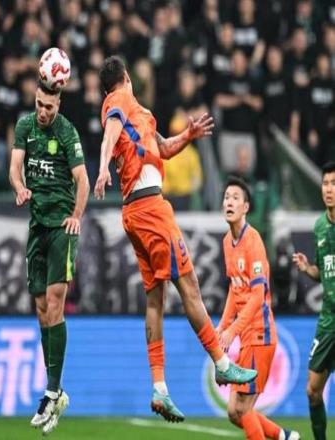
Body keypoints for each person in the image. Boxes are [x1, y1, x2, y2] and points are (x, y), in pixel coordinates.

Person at [94, 55, 257, 422]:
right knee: (190, 286)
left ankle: (160, 388)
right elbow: (109, 134)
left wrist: (189, 136)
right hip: (151, 208)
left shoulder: (142, 116)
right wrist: (103, 168)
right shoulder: (119, 100)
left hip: (135, 212)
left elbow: (162, 148)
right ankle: (222, 363)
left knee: (156, 298)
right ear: (126, 78)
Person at [9, 81, 89, 435]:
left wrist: (77, 216)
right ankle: (55, 389)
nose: (43, 112)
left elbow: (82, 180)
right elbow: (15, 167)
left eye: (50, 107)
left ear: (59, 105)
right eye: (40, 105)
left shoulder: (67, 132)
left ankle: (52, 391)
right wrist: (19, 187)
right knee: (41, 307)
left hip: (61, 227)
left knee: (56, 302)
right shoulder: (25, 126)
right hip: (37, 225)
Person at [219, 176, 300, 440]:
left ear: (246, 208)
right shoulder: (226, 242)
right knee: (234, 412)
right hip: (246, 338)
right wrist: (222, 326)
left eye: (235, 198)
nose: (229, 202)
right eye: (227, 197)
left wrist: (232, 330)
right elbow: (234, 288)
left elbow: (257, 296)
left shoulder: (253, 241)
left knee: (243, 409)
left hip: (260, 335)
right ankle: (283, 436)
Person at [293, 161, 335, 440]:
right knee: (312, 390)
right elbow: (323, 272)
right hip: (329, 319)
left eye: (334, 184)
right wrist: (308, 268)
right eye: (325, 184)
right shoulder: (320, 226)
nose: (329, 189)